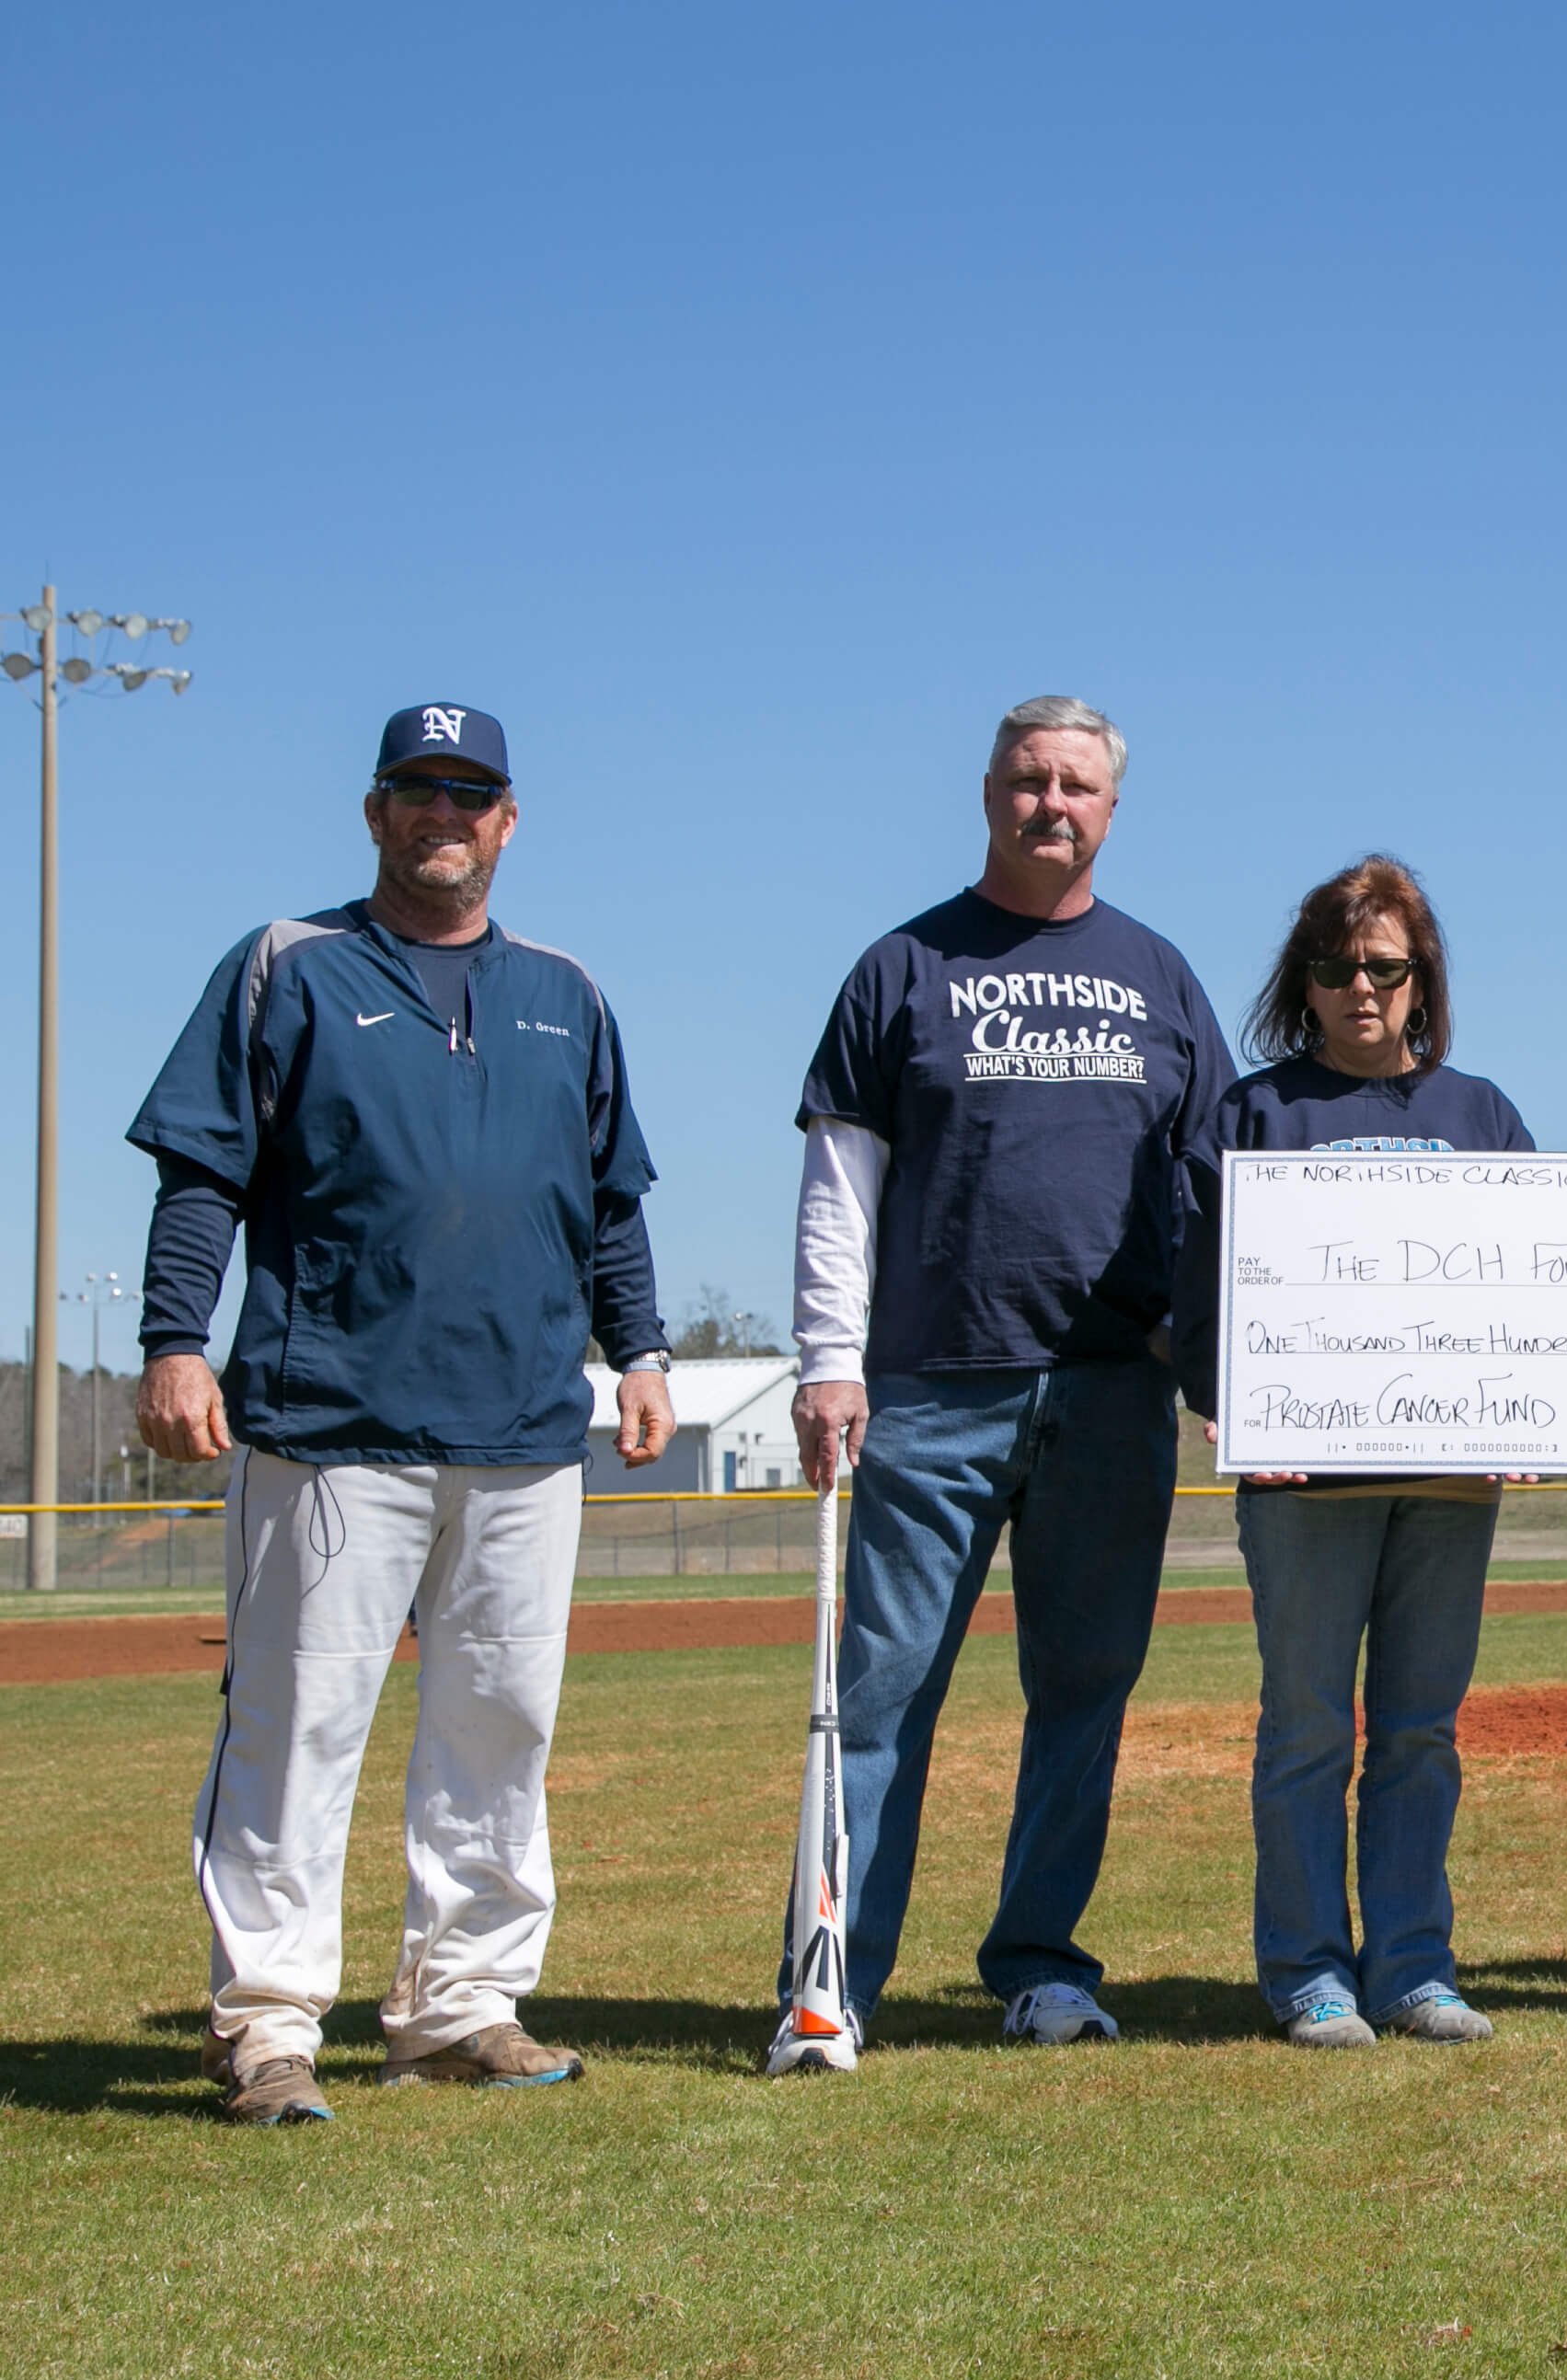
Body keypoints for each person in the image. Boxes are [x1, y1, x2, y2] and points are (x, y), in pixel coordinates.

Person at [128, 703, 674, 2127]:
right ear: (375, 813)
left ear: (507, 820)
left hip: (521, 1426)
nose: (445, 814)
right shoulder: (286, 964)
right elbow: (201, 1174)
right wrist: (176, 1340)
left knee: (501, 1725)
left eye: (470, 793)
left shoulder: (567, 989)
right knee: (297, 1726)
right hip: (330, 1419)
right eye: (417, 790)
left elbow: (608, 1200)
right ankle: (266, 2023)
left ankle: (461, 2004)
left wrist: (648, 1349)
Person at [776, 694, 1230, 2074]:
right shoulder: (903, 967)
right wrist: (827, 1359)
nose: (1052, 803)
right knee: (881, 1694)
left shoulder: (1159, 974)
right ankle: (830, 1983)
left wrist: (1216, 1363)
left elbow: (1213, 1190)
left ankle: (1040, 1964)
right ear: (987, 792)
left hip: (1106, 1395)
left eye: (1077, 785)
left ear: (1110, 808)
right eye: (1029, 779)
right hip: (931, 1390)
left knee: (1082, 1692)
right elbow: (839, 1177)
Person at [1176, 856, 1534, 2049]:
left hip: (1446, 1480)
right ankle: (1307, 1972)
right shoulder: (1254, 1114)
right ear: (1306, 983)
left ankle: (1413, 1969)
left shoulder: (1481, 1117)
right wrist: (1235, 1401)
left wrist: (1531, 1413)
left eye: (1385, 966)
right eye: (1337, 968)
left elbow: (1537, 1288)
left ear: (1421, 979)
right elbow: (1195, 1287)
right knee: (1309, 1729)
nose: (1361, 988)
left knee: (1421, 1730)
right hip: (1303, 1482)